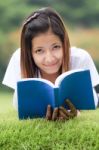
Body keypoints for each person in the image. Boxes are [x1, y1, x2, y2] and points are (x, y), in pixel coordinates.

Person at [2, 7, 99, 121]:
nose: (49, 58)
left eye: (56, 47)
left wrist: (76, 114)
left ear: (64, 43)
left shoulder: (80, 58)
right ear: (29, 53)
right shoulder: (19, 59)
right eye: (39, 50)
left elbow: (91, 103)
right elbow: (19, 106)